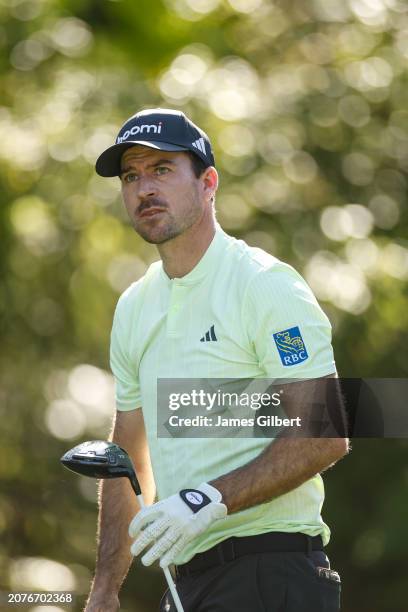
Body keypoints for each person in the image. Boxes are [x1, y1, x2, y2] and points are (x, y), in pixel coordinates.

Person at [85, 108, 349, 612]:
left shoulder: (264, 285)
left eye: (162, 170)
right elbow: (128, 460)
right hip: (185, 583)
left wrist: (207, 500)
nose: (144, 189)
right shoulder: (134, 307)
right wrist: (103, 589)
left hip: (274, 570)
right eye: (131, 176)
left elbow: (325, 433)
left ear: (208, 183)